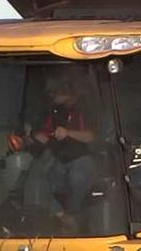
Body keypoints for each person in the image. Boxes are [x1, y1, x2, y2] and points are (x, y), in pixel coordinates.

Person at [22, 77, 98, 227]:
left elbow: (91, 136)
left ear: (67, 92)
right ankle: (60, 217)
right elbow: (47, 131)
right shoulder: (55, 110)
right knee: (39, 177)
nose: (52, 96)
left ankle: (74, 216)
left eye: (54, 93)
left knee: (77, 177)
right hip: (58, 157)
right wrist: (37, 136)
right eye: (50, 94)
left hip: (82, 156)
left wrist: (68, 133)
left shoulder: (84, 108)